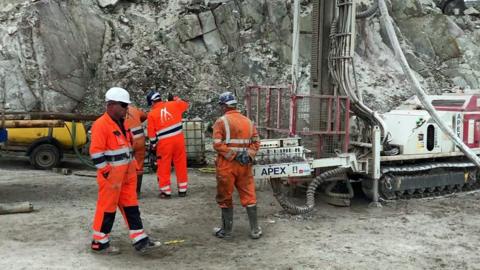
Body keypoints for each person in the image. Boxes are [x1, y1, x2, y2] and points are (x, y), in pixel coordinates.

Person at [89, 87, 161, 254]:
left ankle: (140, 239)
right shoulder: (101, 125)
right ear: (111, 105)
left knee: (131, 206)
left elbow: (127, 147)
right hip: (112, 178)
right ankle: (99, 243)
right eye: (123, 105)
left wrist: (133, 167)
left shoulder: (122, 123)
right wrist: (107, 172)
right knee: (107, 208)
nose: (126, 109)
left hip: (127, 175)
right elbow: (96, 152)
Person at [212, 91, 262, 239]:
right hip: (244, 165)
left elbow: (217, 144)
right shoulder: (248, 121)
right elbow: (256, 142)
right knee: (249, 195)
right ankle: (255, 230)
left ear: (224, 106)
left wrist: (233, 155)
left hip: (227, 166)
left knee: (225, 197)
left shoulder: (221, 122)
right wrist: (249, 155)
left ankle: (226, 231)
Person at [147, 90, 189, 198]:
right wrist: (175, 99)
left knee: (163, 166)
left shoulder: (151, 114)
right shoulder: (174, 104)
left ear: (152, 102)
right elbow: (185, 104)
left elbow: (151, 134)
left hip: (164, 143)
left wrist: (153, 145)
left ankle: (166, 191)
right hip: (179, 140)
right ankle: (182, 189)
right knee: (180, 164)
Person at [125, 104, 147, 196]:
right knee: (139, 165)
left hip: (125, 142)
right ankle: (136, 192)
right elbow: (145, 116)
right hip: (139, 141)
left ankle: (126, 190)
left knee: (123, 166)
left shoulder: (114, 112)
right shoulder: (135, 110)